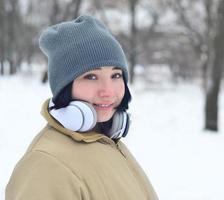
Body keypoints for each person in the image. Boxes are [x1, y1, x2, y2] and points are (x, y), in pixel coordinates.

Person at [6, 15, 158, 200]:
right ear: (65, 87)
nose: (108, 91)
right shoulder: (46, 164)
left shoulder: (106, 141)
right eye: (91, 77)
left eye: (116, 75)